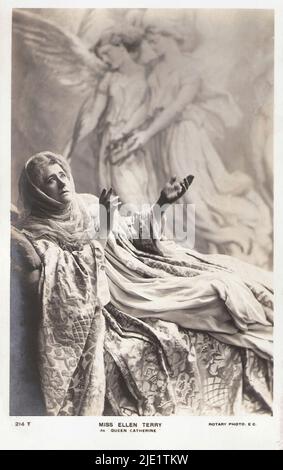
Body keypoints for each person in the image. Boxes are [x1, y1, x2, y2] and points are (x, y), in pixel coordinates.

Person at [14, 151, 273, 416]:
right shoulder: (40, 232)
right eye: (50, 181)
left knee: (231, 279)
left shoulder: (87, 204)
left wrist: (162, 202)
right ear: (39, 193)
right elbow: (75, 277)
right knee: (213, 294)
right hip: (119, 293)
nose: (61, 183)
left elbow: (134, 232)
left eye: (62, 175)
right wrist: (104, 223)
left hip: (139, 268)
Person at [123, 14, 272, 267]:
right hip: (162, 140)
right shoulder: (157, 70)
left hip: (185, 140)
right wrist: (129, 132)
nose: (150, 43)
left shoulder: (189, 69)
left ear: (170, 35)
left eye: (154, 37)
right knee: (172, 200)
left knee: (197, 198)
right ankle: (191, 253)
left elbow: (174, 109)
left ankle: (231, 243)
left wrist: (144, 134)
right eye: (148, 38)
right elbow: (149, 108)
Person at [64, 26, 158, 206]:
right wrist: (71, 146)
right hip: (109, 140)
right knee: (109, 191)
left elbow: (148, 109)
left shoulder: (149, 73)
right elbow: (93, 116)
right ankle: (111, 233)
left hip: (133, 140)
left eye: (107, 53)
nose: (105, 60)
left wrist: (124, 132)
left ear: (121, 47)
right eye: (102, 56)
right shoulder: (109, 79)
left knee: (133, 190)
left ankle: (145, 232)